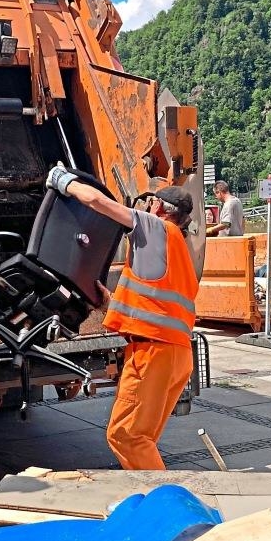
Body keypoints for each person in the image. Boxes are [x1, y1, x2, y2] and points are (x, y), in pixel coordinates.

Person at [47, 165, 198, 469]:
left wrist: (63, 181)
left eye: (150, 202)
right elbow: (159, 306)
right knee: (141, 438)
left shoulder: (156, 227)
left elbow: (98, 203)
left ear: (158, 207)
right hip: (177, 355)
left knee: (126, 435)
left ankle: (164, 508)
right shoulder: (180, 249)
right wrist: (110, 304)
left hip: (152, 354)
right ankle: (150, 501)